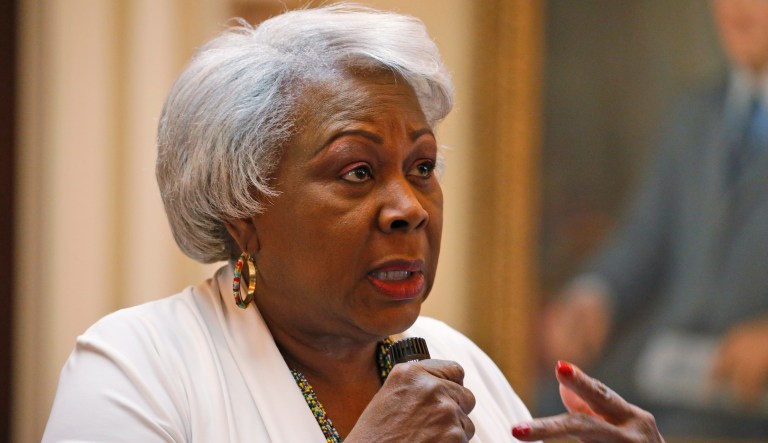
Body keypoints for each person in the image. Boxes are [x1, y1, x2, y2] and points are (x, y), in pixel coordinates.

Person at [42, 5, 663, 442]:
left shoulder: (459, 361)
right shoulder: (135, 370)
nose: (410, 208)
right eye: (358, 172)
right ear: (243, 209)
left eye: (422, 167)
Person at [540, 0, 768, 438]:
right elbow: (643, 240)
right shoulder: (693, 115)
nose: (736, 7)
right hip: (666, 376)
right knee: (541, 410)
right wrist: (594, 296)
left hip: (747, 403)